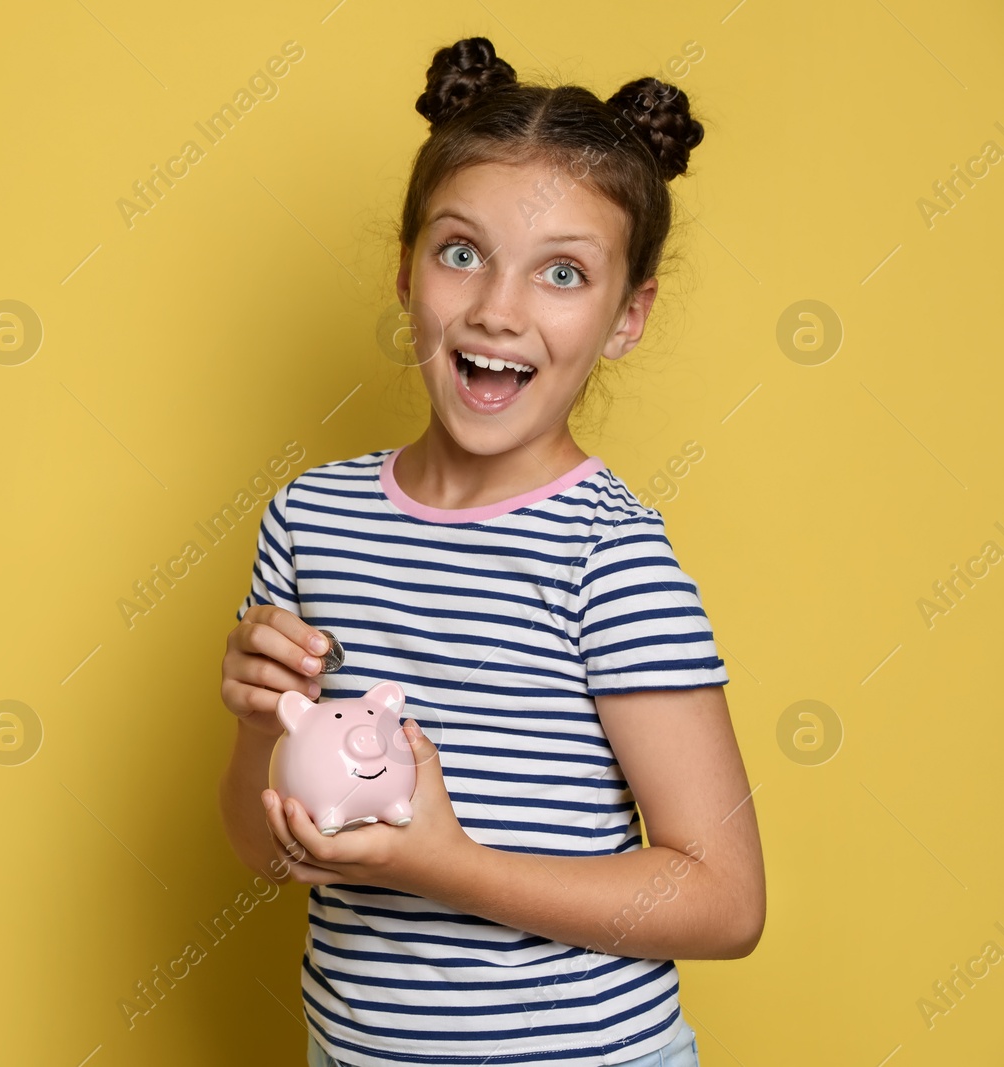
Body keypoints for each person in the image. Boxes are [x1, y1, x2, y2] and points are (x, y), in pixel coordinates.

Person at [217, 36, 765, 1067]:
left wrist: (450, 864)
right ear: (405, 265)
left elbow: (724, 899)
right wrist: (255, 721)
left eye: (563, 272)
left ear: (625, 316)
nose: (497, 309)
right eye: (460, 251)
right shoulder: (309, 518)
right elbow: (263, 850)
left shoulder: (612, 558)